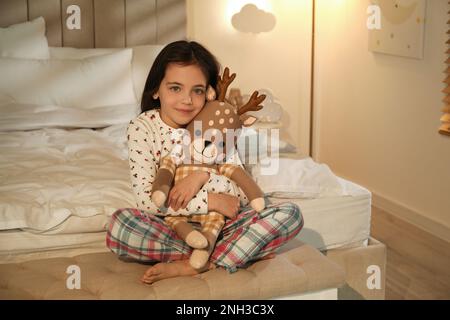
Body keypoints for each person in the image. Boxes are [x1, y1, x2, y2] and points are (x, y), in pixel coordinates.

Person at [106, 40, 304, 284]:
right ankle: (222, 256)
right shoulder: (142, 128)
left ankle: (197, 263)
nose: (187, 100)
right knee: (121, 225)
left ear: (208, 92)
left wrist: (201, 177)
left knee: (289, 214)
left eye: (197, 90)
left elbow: (241, 197)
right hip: (171, 226)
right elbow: (149, 201)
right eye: (175, 88)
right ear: (156, 90)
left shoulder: (216, 121)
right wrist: (211, 200)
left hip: (221, 226)